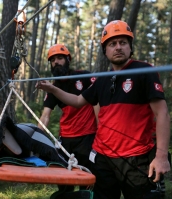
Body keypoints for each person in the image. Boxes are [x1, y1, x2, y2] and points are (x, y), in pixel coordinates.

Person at [36, 20, 170, 199]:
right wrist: (52, 89)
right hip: (103, 158)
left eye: (123, 42)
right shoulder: (103, 79)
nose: (118, 47)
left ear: (130, 47)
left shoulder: (143, 70)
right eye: (112, 44)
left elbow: (162, 113)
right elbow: (77, 100)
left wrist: (161, 155)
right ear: (105, 50)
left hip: (136, 158)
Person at [38, 44, 97, 192]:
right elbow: (45, 116)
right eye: (53, 60)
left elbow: (98, 100)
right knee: (64, 181)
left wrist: (101, 129)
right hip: (65, 139)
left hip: (87, 137)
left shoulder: (84, 77)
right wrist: (37, 139)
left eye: (60, 58)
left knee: (86, 178)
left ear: (68, 60)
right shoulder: (52, 88)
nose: (56, 62)